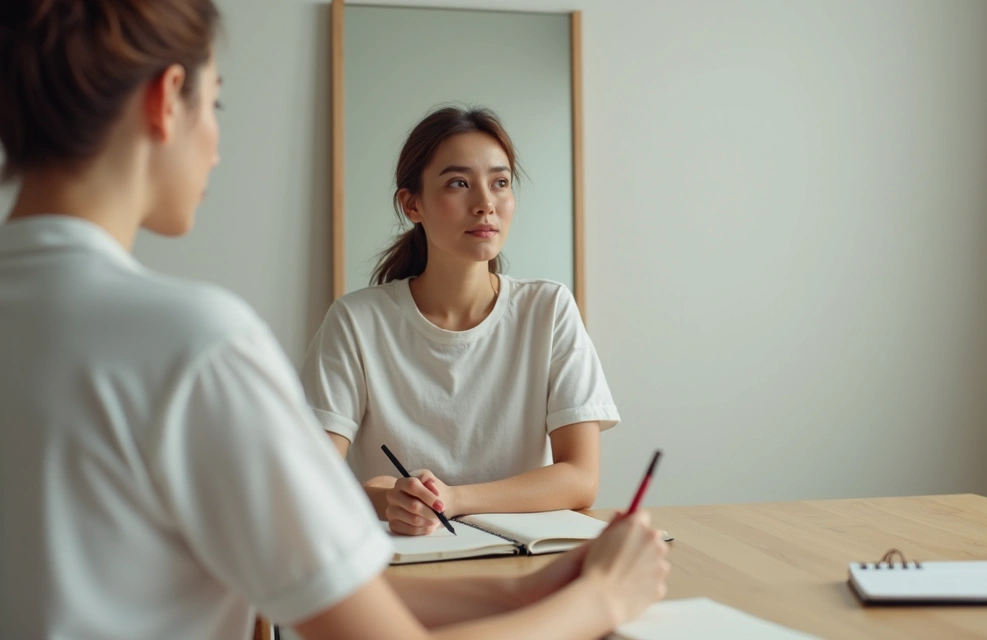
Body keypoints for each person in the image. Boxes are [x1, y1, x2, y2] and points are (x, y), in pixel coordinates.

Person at [0, 1, 668, 638]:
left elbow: (292, 588)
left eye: (500, 181)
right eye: (217, 103)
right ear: (166, 98)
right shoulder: (195, 347)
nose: (216, 146)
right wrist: (604, 597)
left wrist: (520, 589)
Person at [300, 106, 619, 536]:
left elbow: (581, 479)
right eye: (458, 183)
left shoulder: (549, 309)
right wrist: (383, 499)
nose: (485, 203)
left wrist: (456, 498)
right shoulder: (356, 322)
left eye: (500, 183)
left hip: (523, 559)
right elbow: (305, 481)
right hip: (405, 562)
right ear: (412, 204)